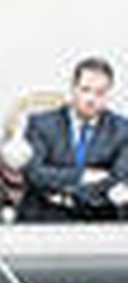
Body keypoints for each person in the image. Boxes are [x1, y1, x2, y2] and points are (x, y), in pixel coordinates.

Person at [20, 57, 128, 223]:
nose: (91, 99)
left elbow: (118, 178)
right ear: (73, 88)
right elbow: (34, 173)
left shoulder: (122, 130)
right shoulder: (41, 124)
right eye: (85, 90)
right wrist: (82, 176)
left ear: (108, 94)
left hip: (98, 216)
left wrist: (66, 194)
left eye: (100, 93)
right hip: (45, 214)